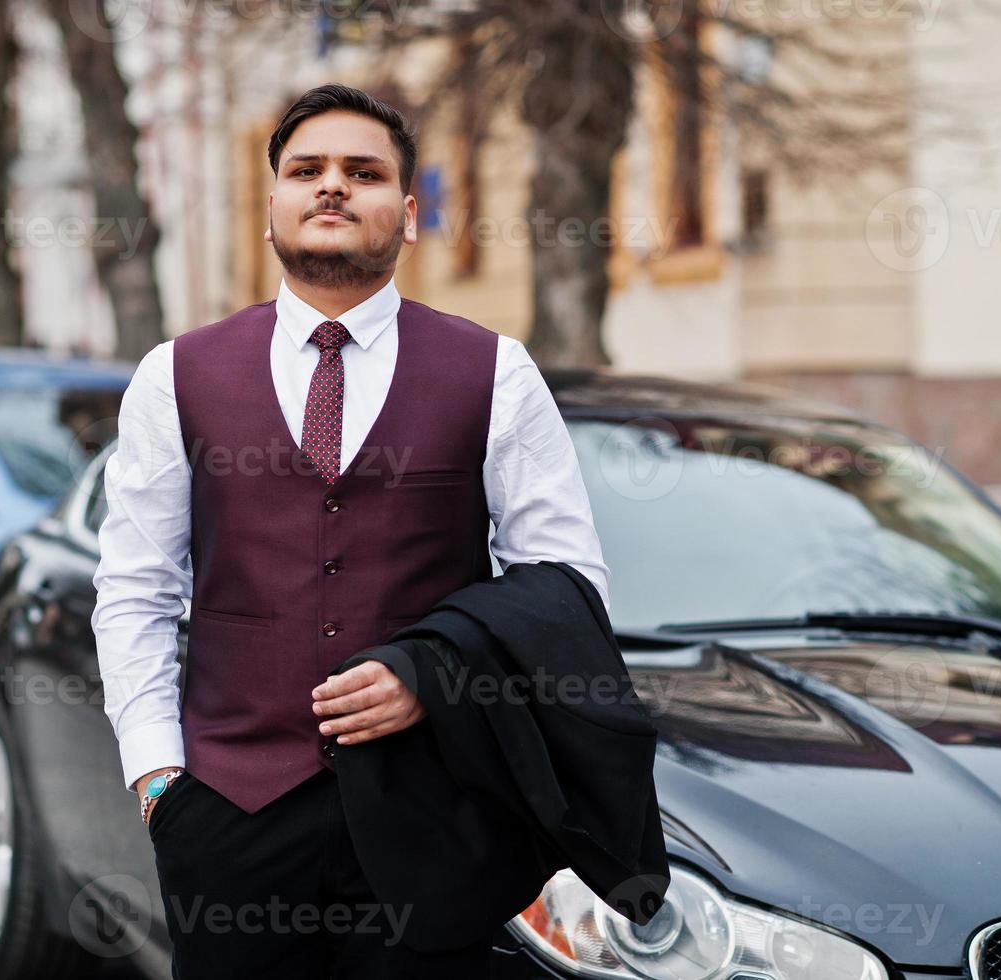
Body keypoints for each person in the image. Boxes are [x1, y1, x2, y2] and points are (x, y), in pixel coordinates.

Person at [91, 82, 611, 979]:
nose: (332, 187)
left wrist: (433, 675)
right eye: (307, 170)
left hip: (434, 819)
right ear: (272, 210)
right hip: (227, 819)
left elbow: (566, 585)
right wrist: (158, 782)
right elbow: (136, 588)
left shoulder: (494, 371)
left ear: (407, 216)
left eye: (362, 173)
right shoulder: (176, 375)